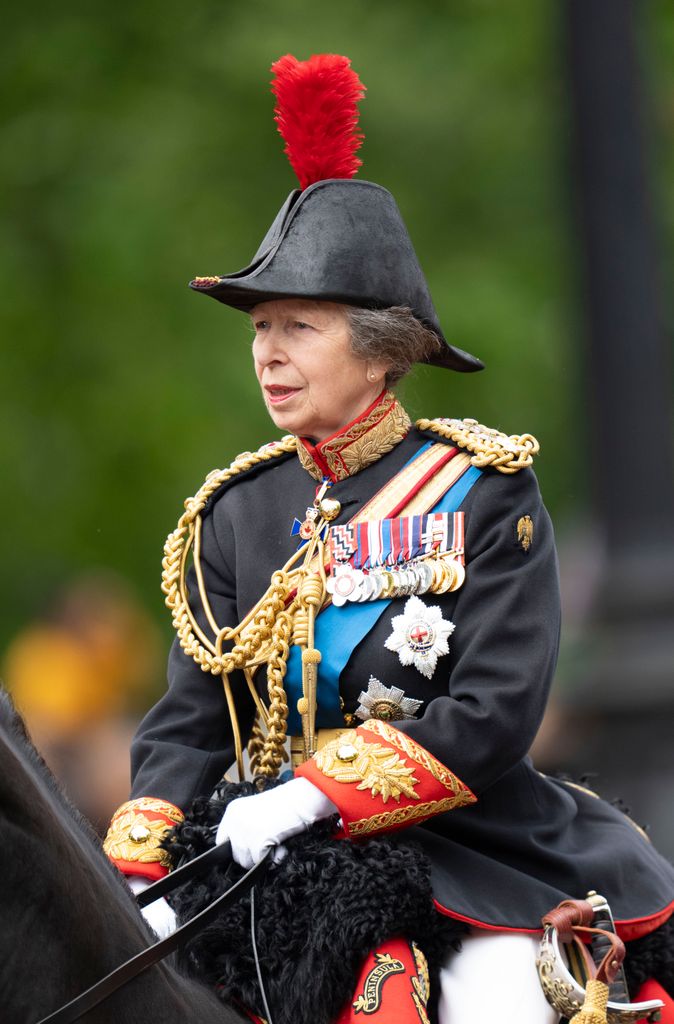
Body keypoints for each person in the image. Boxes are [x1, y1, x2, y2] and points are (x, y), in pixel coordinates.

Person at [104, 54, 674, 1024]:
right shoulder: (233, 509)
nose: (267, 353)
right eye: (258, 329)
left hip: (464, 843)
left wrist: (314, 793)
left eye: (296, 327)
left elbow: (493, 712)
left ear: (379, 346)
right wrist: (141, 842)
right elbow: (188, 717)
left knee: (500, 1002)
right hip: (252, 847)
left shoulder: (479, 491)